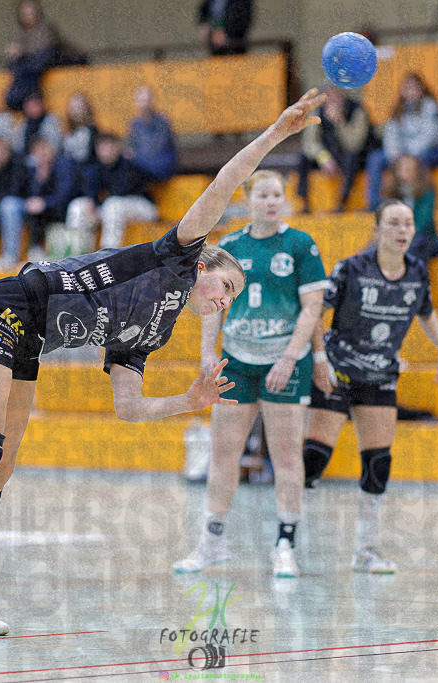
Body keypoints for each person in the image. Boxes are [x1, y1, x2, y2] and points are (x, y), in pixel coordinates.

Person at [0, 88, 327, 636]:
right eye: (226, 284)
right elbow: (224, 183)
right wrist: (276, 135)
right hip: (0, 307)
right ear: (205, 263)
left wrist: (188, 401)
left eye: (232, 296)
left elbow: (127, 410)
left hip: (29, 340)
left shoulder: (153, 327)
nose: (225, 299)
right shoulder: (176, 257)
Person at [172, 169, 329, 578]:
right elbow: (213, 302)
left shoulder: (300, 244)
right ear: (247, 199)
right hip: (237, 359)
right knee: (224, 453)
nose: (271, 201)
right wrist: (208, 351)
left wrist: (291, 358)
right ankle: (212, 542)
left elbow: (313, 309)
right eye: (263, 195)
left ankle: (285, 545)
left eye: (277, 194)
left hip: (284, 363)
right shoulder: (229, 246)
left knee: (286, 456)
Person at [302, 199, 438, 573]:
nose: (402, 230)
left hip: (380, 376)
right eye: (394, 223)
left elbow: (426, 313)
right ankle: (289, 541)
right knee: (314, 459)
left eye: (407, 224)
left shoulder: (417, 271)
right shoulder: (350, 269)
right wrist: (318, 359)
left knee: (378, 462)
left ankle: (366, 550)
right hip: (336, 373)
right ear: (377, 230)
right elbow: (314, 314)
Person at [365, 73, 438, 211]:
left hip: (435, 151)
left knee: (420, 160)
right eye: (407, 88)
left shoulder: (431, 107)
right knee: (376, 158)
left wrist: (409, 157)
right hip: (403, 154)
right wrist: (395, 155)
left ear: (421, 89)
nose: (411, 91)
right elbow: (390, 135)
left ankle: (419, 204)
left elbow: (429, 137)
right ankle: (374, 204)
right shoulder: (398, 109)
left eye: (414, 87)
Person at [65, 133, 157, 251]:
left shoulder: (128, 164)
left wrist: (98, 204)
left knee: (112, 205)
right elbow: (91, 191)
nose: (105, 151)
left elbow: (119, 191)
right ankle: (77, 255)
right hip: (112, 208)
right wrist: (94, 203)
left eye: (109, 147)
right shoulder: (97, 167)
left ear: (117, 147)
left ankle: (107, 255)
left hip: (144, 207)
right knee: (78, 205)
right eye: (102, 148)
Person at [298, 85, 371, 213]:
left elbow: (354, 144)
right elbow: (309, 142)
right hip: (329, 154)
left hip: (355, 154)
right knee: (304, 158)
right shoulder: (318, 112)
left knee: (352, 156)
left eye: (336, 96)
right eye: (328, 97)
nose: (332, 101)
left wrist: (339, 122)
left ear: (343, 97)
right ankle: (304, 202)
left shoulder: (358, 110)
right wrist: (324, 157)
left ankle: (342, 202)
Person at [22, 137, 77, 262]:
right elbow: (31, 194)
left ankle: (41, 248)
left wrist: (45, 203)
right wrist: (39, 179)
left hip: (67, 206)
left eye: (44, 148)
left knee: (39, 208)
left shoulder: (64, 164)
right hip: (49, 210)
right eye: (38, 151)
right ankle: (35, 249)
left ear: (52, 149)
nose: (42, 153)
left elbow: (65, 194)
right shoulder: (36, 169)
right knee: (32, 208)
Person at [0, 137, 31, 268]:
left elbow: (15, 190)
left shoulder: (19, 162)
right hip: (0, 206)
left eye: (1, 150)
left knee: (9, 205)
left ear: (8, 149)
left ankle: (10, 255)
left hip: (24, 204)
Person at [4, 0, 60, 112]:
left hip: (38, 68)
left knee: (31, 66)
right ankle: (30, 99)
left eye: (31, 13)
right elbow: (12, 61)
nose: (28, 17)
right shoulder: (19, 32)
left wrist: (22, 51)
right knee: (21, 68)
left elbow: (45, 53)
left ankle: (28, 99)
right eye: (25, 14)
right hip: (25, 74)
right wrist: (13, 53)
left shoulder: (46, 30)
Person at [381, 155, 438, 261]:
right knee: (372, 249)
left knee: (409, 247)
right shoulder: (393, 192)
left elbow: (423, 222)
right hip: (398, 236)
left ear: (417, 171)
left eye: (408, 168)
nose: (404, 171)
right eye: (402, 168)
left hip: (423, 236)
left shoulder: (426, 191)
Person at [127, 86, 178, 182]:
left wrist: (136, 156)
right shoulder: (134, 124)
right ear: (136, 103)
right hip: (143, 165)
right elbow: (132, 147)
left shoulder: (162, 122)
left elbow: (156, 148)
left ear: (152, 102)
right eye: (141, 100)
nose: (145, 104)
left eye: (147, 100)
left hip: (161, 165)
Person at [15, 90, 62, 155]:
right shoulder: (24, 123)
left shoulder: (50, 120)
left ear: (41, 104)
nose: (32, 107)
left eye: (35, 104)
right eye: (29, 105)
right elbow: (17, 147)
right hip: (26, 160)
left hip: (47, 158)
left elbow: (55, 145)